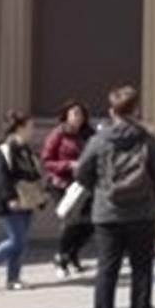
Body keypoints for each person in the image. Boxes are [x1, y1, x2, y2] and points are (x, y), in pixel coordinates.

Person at [75, 86, 155, 308]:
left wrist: (99, 186)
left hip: (107, 213)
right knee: (142, 269)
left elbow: (81, 172)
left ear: (111, 110)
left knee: (107, 271)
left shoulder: (99, 139)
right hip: (141, 213)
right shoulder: (146, 139)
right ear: (136, 109)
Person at [0, 111, 47, 290]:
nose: (33, 130)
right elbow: (2, 177)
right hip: (12, 202)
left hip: (27, 199)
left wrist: (40, 196)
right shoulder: (5, 149)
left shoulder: (26, 149)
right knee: (16, 240)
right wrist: (10, 198)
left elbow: (34, 174)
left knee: (21, 242)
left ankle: (13, 278)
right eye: (30, 126)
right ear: (20, 127)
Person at [42, 100, 95, 277]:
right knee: (70, 222)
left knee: (90, 224)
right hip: (61, 184)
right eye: (74, 114)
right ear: (66, 116)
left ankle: (73, 253)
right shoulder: (58, 134)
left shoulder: (88, 134)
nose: (78, 118)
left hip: (84, 185)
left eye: (81, 114)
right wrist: (68, 165)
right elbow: (47, 161)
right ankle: (61, 257)